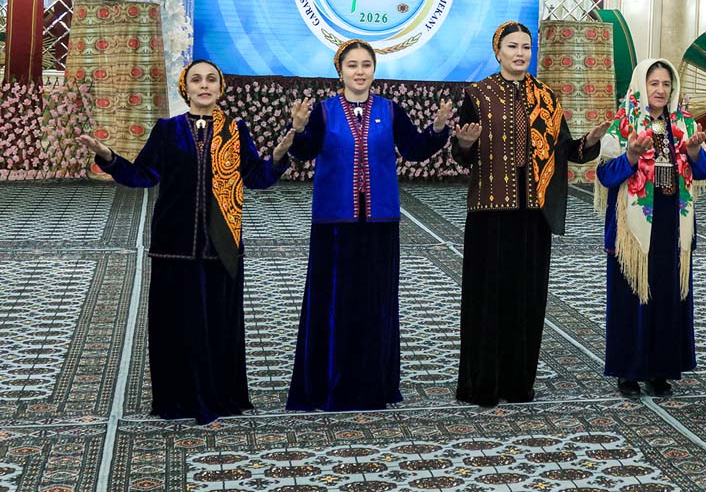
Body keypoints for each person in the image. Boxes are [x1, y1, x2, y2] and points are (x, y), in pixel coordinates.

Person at [79, 60, 293, 424]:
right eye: (196, 80)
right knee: (176, 324)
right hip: (173, 244)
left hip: (222, 244)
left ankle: (220, 395)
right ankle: (178, 398)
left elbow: (257, 177)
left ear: (220, 88)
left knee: (218, 324)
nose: (204, 85)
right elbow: (142, 175)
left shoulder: (235, 130)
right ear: (186, 88)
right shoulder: (167, 130)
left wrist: (278, 154)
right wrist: (107, 156)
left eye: (211, 79)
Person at [285, 39, 452, 412]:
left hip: (380, 224)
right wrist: (297, 128)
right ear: (340, 71)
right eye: (352, 65)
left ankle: (373, 385)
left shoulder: (390, 110)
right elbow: (304, 151)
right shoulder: (324, 111)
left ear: (374, 69)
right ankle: (328, 385)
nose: (359, 72)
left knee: (375, 303)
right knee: (333, 304)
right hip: (334, 224)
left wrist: (438, 128)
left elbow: (414, 149)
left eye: (366, 65)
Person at [451, 20, 607, 407]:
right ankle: (482, 384)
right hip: (489, 212)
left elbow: (566, 151)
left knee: (526, 297)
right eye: (512, 46)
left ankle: (518, 383)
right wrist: (464, 145)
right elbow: (462, 156)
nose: (520, 53)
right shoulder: (477, 95)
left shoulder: (546, 98)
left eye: (526, 47)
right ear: (498, 51)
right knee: (487, 297)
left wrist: (589, 142)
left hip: (533, 214)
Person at [596, 58, 706, 397]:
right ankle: (628, 372)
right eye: (654, 84)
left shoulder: (684, 124)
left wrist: (694, 152)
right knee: (631, 297)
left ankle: (661, 370)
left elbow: (704, 170)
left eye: (666, 84)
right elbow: (604, 175)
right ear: (640, 87)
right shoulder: (623, 125)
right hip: (632, 229)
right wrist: (631, 157)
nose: (660, 90)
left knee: (666, 297)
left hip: (672, 223)